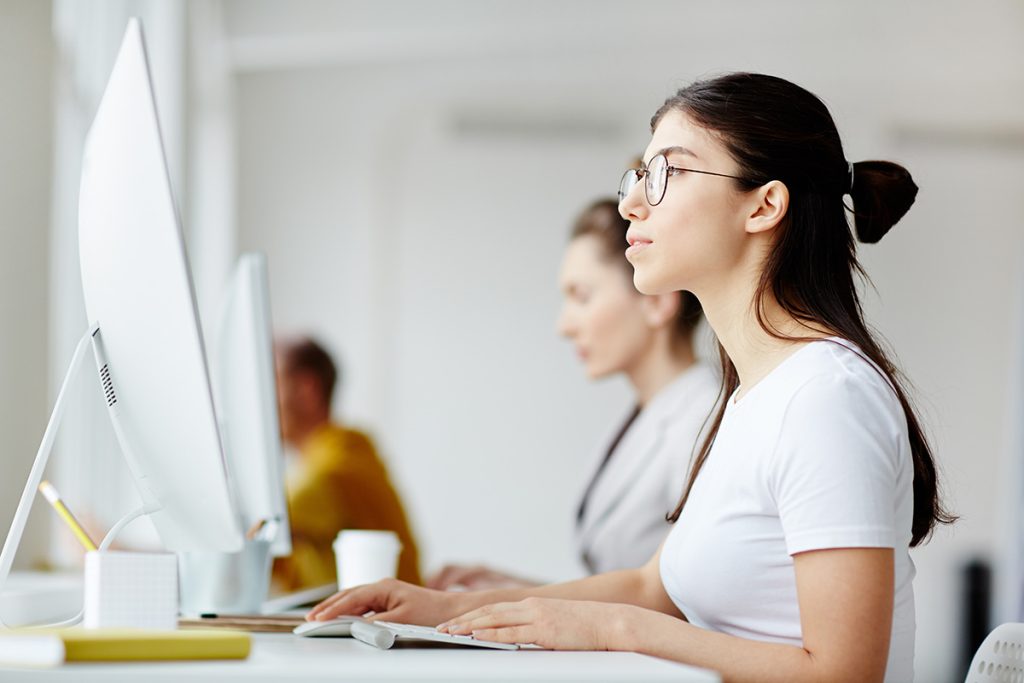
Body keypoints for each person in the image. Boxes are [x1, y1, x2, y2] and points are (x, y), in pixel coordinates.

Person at [306, 73, 955, 683]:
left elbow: (843, 672)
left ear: (764, 206)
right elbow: (653, 586)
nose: (634, 202)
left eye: (666, 171)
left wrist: (615, 628)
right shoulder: (755, 395)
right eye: (638, 175)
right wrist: (437, 607)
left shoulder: (826, 397)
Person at [427, 199, 719, 591]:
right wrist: (517, 589)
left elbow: (687, 600)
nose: (564, 325)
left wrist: (514, 601)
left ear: (657, 300)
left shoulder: (704, 418)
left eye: (581, 296)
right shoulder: (641, 417)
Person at [271, 336, 422, 590]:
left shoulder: (341, 461)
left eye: (269, 382)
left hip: (391, 622)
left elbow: (264, 526)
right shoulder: (324, 457)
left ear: (306, 389)